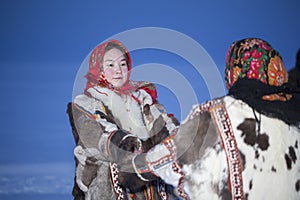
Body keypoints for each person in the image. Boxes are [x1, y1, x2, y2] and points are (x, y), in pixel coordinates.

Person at [117, 38, 300, 199]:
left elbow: (166, 157)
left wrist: (132, 169)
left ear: (233, 71)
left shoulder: (217, 115)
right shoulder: (295, 123)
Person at [67, 39, 179, 199]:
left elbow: (163, 124)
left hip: (149, 178)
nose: (118, 70)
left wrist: (176, 137)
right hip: (109, 181)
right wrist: (122, 142)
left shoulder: (142, 97)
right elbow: (94, 132)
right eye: (110, 65)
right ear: (99, 68)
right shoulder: (87, 101)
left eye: (123, 64)